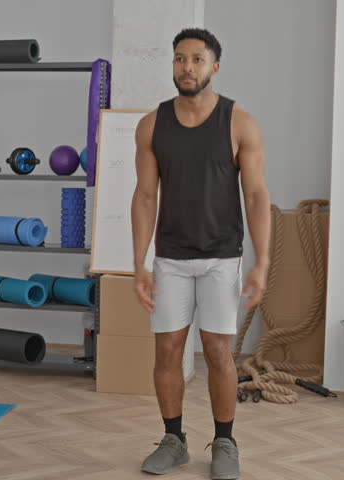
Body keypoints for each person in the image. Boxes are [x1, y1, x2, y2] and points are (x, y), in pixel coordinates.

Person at [131, 28, 271, 480]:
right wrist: (139, 264)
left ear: (214, 66)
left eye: (196, 59)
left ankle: (225, 442)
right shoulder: (152, 125)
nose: (186, 67)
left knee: (217, 353)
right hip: (170, 257)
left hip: (219, 258)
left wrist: (262, 262)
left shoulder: (240, 123)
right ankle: (174, 440)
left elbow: (255, 196)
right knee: (168, 351)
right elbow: (145, 196)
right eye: (178, 59)